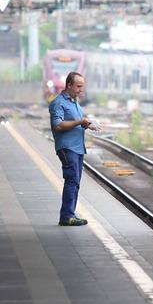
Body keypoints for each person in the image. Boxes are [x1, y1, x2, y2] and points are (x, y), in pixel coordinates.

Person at [49, 71, 99, 225]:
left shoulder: (74, 102)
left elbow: (78, 121)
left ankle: (70, 214)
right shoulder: (58, 103)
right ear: (69, 85)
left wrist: (87, 124)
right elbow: (57, 125)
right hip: (67, 147)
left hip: (78, 148)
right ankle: (66, 216)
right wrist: (79, 122)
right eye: (78, 86)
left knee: (75, 181)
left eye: (82, 86)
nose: (80, 89)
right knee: (71, 180)